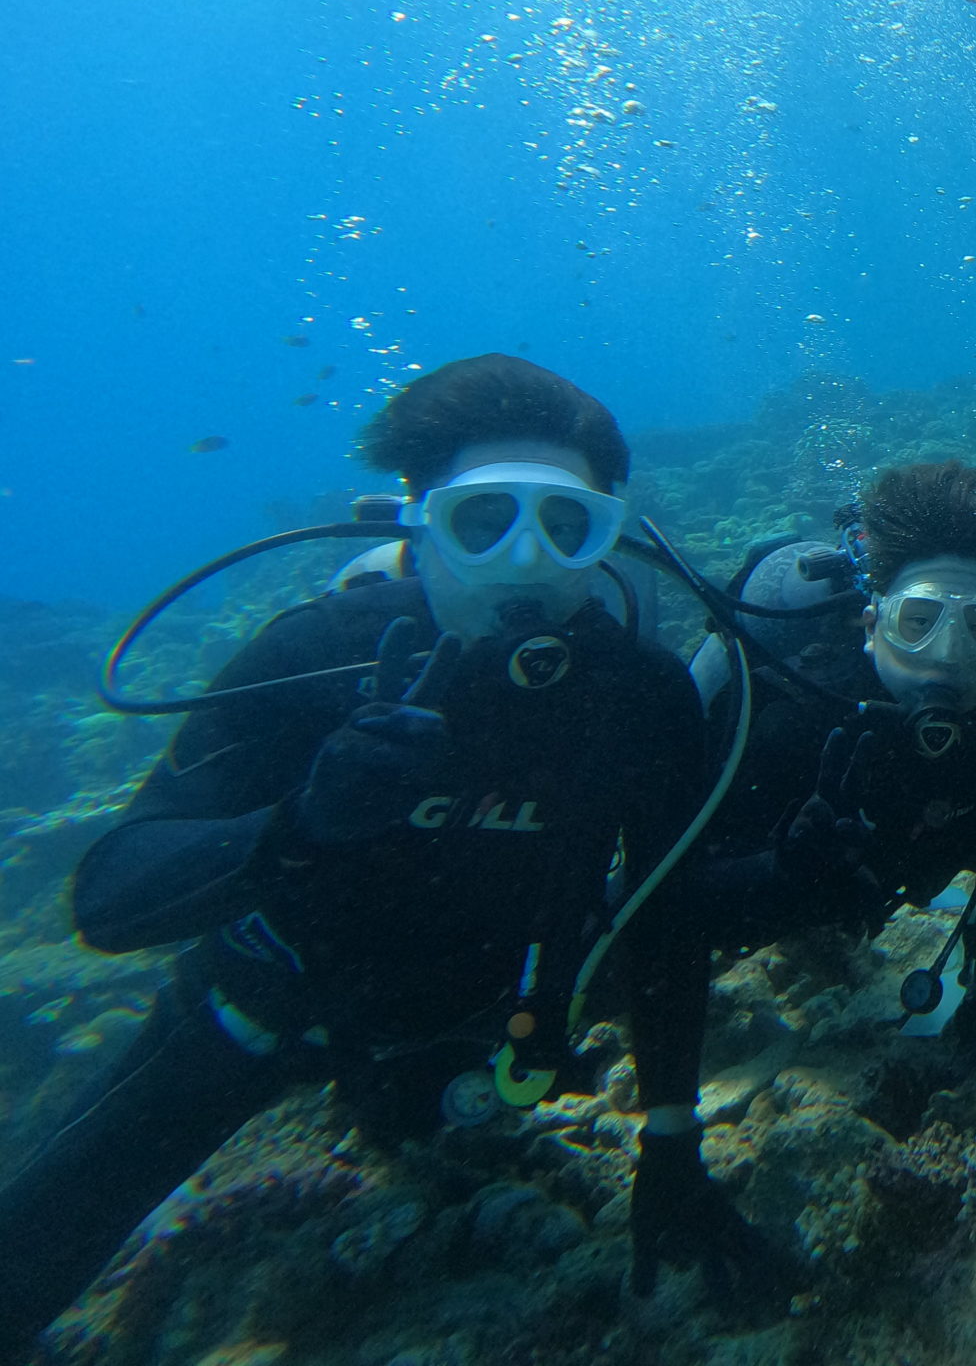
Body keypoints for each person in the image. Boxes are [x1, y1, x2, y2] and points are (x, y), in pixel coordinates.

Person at [0, 355, 791, 1360]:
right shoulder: (316, 656)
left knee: (433, 1155)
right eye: (481, 520)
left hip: (480, 1035)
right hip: (257, 1018)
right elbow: (109, 900)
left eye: (566, 524)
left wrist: (670, 1134)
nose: (525, 559)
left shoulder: (638, 697)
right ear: (419, 520)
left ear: (609, 535)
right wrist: (293, 823)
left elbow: (667, 922)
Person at [690, 461, 976, 1075]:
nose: (951, 656)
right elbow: (670, 904)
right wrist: (780, 876)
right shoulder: (795, 714)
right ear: (872, 622)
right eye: (919, 621)